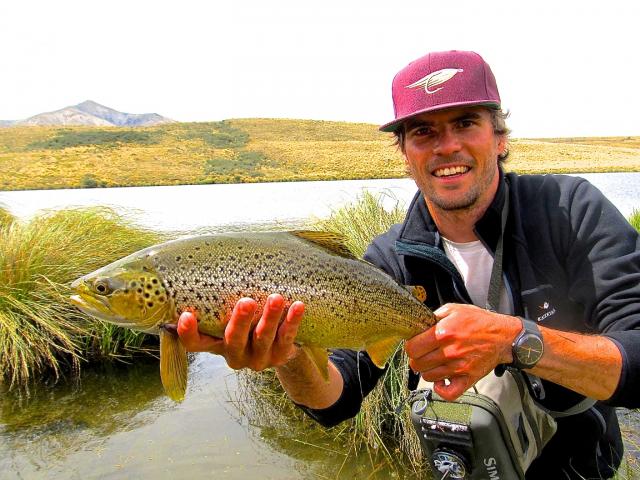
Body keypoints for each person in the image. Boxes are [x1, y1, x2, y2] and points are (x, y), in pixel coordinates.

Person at [177, 50, 640, 479]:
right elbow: (335, 399)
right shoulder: (388, 257)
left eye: (465, 123)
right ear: (404, 153)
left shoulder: (571, 210)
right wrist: (290, 355)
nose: (446, 146)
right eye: (423, 131)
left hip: (584, 469)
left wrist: (515, 340)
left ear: (499, 138)